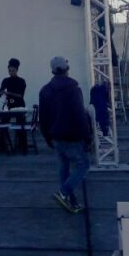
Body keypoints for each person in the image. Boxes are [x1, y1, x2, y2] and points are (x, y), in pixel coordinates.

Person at [39, 57, 93, 214]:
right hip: (73, 137)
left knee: (64, 167)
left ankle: (70, 201)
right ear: (66, 68)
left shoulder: (45, 90)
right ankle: (64, 192)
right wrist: (87, 137)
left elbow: (43, 117)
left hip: (56, 136)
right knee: (83, 165)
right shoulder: (73, 89)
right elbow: (80, 116)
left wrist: (47, 137)